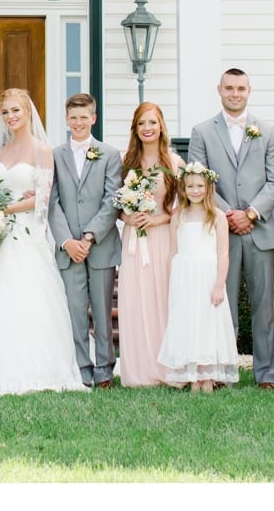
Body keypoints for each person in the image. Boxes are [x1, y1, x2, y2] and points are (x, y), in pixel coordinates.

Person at [0, 88, 88, 397]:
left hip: (25, 234)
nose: (11, 117)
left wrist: (3, 210)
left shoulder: (41, 150)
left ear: (28, 113)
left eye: (17, 111)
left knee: (26, 297)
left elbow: (43, 197)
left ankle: (34, 367)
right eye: (6, 112)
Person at [187, 68, 274, 389]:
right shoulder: (202, 132)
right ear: (219, 90)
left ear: (249, 91)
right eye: (229, 88)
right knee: (221, 304)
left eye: (240, 88)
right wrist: (229, 213)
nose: (235, 93)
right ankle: (222, 371)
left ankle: (266, 375)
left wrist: (252, 213)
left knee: (263, 307)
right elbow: (199, 179)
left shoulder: (267, 131)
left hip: (260, 231)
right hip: (220, 231)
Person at [48, 93, 122, 388]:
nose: (78, 123)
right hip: (68, 249)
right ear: (66, 120)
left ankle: (105, 368)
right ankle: (81, 368)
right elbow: (52, 202)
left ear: (94, 118)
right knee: (75, 310)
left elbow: (112, 199)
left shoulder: (110, 154)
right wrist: (67, 241)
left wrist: (90, 236)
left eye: (84, 117)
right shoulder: (54, 155)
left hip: (100, 245)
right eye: (73, 118)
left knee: (102, 311)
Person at [115, 101, 182, 387]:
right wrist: (127, 217)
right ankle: (139, 371)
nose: (147, 128)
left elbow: (186, 204)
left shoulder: (174, 162)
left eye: (152, 122)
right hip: (134, 239)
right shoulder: (127, 163)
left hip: (162, 236)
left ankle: (166, 368)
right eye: (142, 123)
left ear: (161, 126)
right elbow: (116, 203)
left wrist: (158, 220)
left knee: (162, 299)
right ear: (135, 128)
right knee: (136, 300)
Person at [157, 164, 239, 392]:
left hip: (208, 275)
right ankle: (193, 375)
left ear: (208, 187)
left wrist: (219, 284)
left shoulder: (218, 216)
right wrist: (171, 281)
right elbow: (173, 251)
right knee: (189, 323)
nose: (195, 190)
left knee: (208, 324)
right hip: (184, 275)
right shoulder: (178, 216)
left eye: (200, 186)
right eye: (190, 186)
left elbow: (223, 254)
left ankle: (209, 376)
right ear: (183, 188)